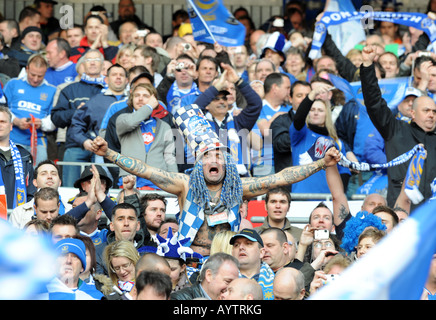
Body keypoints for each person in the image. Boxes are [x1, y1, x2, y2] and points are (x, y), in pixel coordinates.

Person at [89, 104, 341, 258]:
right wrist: (109, 153)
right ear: (198, 163)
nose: (214, 160)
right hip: (186, 258)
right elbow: (145, 170)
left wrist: (321, 163)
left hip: (228, 258)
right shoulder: (184, 185)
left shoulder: (237, 187)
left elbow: (281, 177)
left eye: (220, 156)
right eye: (207, 156)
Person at [361, 44, 436, 207]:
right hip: (402, 212)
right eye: (426, 110)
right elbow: (374, 103)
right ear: (413, 113)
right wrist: (367, 66)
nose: (431, 114)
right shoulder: (395, 130)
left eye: (434, 111)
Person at [65, 63, 129, 186]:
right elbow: (76, 125)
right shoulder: (95, 101)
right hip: (103, 152)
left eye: (121, 75)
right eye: (114, 74)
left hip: (128, 153)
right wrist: (84, 141)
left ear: (127, 80)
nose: (118, 77)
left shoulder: (134, 100)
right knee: (104, 186)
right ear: (106, 79)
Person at [51, 49, 106, 180]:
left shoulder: (109, 90)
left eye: (96, 60)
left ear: (103, 65)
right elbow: (56, 118)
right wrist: (77, 112)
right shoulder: (70, 89)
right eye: (89, 60)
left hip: (104, 147)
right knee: (70, 189)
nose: (92, 63)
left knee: (104, 189)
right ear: (83, 65)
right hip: (76, 146)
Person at [289, 82, 351, 194]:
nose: (316, 113)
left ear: (326, 114)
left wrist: (338, 197)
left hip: (327, 199)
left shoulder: (336, 141)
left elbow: (344, 172)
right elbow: (298, 118)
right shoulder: (300, 134)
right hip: (300, 197)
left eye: (320, 110)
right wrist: (312, 94)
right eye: (312, 110)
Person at [115, 82, 178, 189]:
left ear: (154, 100)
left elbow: (169, 156)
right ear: (131, 99)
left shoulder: (164, 126)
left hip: (158, 182)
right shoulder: (122, 119)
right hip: (130, 181)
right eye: (136, 95)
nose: (140, 99)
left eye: (145, 96)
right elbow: (131, 122)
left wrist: (175, 181)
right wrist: (149, 106)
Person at [4, 53, 56, 165]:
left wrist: (41, 123)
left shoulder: (52, 90)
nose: (36, 79)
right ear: (27, 69)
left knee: (38, 175)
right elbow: (2, 109)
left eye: (40, 76)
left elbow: (54, 119)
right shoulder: (13, 84)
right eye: (33, 74)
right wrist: (15, 121)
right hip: (12, 139)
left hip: (39, 143)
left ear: (45, 72)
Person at [252, 72, 291, 176]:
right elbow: (266, 130)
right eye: (287, 88)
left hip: (287, 164)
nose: (289, 92)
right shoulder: (257, 107)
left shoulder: (289, 109)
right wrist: (278, 116)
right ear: (275, 88)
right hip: (264, 165)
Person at [95, 202, 149, 275]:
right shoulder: (98, 253)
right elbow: (99, 283)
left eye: (131, 219)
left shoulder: (148, 254)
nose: (126, 223)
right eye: (120, 219)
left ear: (138, 225)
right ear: (112, 226)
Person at [9, 159, 65, 229]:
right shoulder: (18, 213)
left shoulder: (71, 209)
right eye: (44, 174)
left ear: (60, 182)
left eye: (53, 174)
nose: (49, 177)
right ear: (35, 182)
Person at [270, 80, 311, 174]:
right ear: (290, 98)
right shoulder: (280, 121)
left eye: (308, 96)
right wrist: (301, 128)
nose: (304, 100)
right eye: (299, 96)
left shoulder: (320, 121)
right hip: (290, 181)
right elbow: (280, 145)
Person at [0, 106, 36, 210]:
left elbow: (31, 192)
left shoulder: (24, 155)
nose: (0, 125)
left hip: (18, 219)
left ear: (11, 126)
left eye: (3, 121)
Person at [170, 252, 240, 300]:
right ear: (209, 275)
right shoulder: (180, 298)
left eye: (235, 283)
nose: (232, 288)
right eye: (228, 281)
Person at [230, 228, 275, 300]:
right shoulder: (224, 282)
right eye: (236, 245)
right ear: (232, 253)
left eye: (248, 243)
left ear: (261, 252)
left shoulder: (277, 282)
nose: (241, 247)